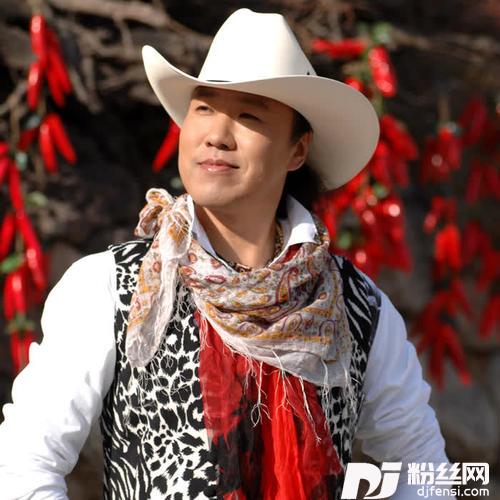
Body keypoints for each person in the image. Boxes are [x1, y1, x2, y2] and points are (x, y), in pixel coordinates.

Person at [0, 8, 455, 500]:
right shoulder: (113, 286)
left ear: (297, 150)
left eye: (249, 115)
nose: (216, 134)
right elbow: (22, 463)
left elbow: (429, 470)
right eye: (203, 109)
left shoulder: (356, 307)